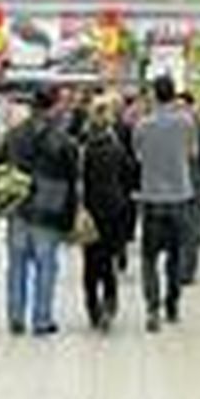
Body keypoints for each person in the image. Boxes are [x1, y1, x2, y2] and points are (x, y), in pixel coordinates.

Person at [0, 87, 79, 336]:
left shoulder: (13, 136)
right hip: (49, 209)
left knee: (16, 265)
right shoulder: (63, 140)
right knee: (46, 266)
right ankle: (41, 319)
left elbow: (2, 169)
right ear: (54, 106)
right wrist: (69, 219)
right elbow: (71, 179)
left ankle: (15, 317)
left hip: (18, 207)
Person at [132, 76, 197, 333]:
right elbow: (193, 154)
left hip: (151, 198)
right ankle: (173, 304)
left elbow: (137, 155)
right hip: (180, 197)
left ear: (154, 95)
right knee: (175, 255)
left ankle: (152, 308)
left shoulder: (143, 125)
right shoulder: (186, 123)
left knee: (149, 257)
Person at [79, 94, 138, 332]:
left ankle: (92, 307)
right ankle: (110, 302)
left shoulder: (84, 150)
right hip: (114, 210)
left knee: (90, 262)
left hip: (90, 211)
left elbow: (79, 181)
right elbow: (130, 176)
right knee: (108, 260)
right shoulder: (117, 150)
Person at [179, 91, 200, 284]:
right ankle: (180, 266)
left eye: (184, 107)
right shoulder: (175, 127)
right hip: (175, 184)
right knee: (179, 229)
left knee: (191, 229)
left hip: (194, 183)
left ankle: (188, 270)